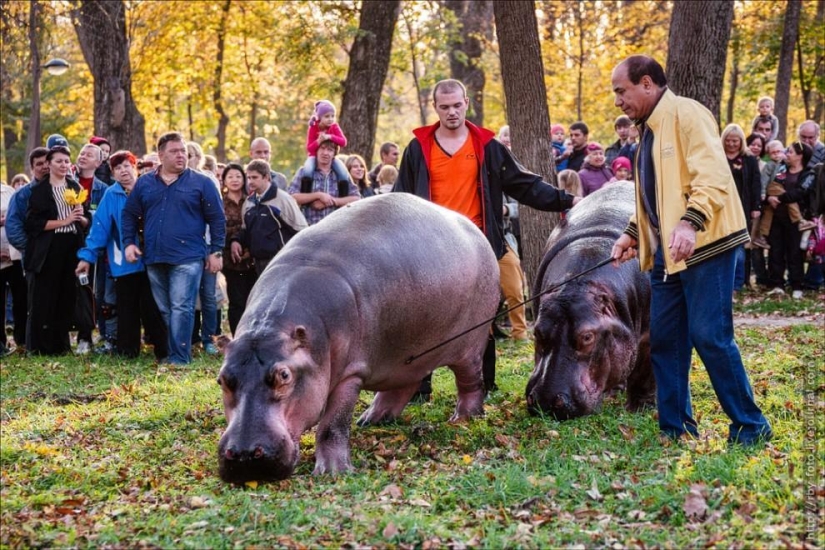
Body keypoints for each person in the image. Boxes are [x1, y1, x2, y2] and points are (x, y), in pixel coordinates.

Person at [609, 55, 771, 446]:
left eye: (621, 91)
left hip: (706, 243)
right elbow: (657, 194)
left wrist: (690, 221)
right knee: (664, 339)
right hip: (668, 251)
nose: (617, 101)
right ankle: (676, 428)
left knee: (710, 336)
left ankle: (751, 425)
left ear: (646, 83)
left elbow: (712, 177)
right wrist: (633, 231)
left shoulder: (687, 114)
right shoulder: (647, 131)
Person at [394, 78, 579, 399]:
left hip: (478, 246)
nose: (451, 112)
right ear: (434, 108)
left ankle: (483, 384)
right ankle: (418, 388)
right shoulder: (417, 149)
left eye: (456, 105)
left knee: (482, 317)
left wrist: (566, 201)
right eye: (444, 107)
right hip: (429, 247)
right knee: (424, 317)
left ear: (467, 103)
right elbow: (400, 197)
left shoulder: (487, 146)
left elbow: (524, 185)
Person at [122, 132, 226, 365]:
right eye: (174, 151)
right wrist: (129, 242)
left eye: (183, 151)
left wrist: (216, 250)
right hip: (155, 256)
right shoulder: (145, 183)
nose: (181, 155)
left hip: (188, 256)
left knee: (181, 306)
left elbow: (217, 219)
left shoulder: (202, 182)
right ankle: (172, 352)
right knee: (166, 309)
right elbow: (129, 214)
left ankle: (180, 358)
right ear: (160, 155)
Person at [75, 150, 168, 360]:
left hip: (153, 259)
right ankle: (127, 350)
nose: (123, 171)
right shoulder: (111, 195)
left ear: (135, 167)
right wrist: (87, 257)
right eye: (117, 168)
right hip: (123, 262)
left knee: (153, 306)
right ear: (113, 174)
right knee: (126, 307)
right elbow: (99, 228)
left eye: (127, 165)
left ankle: (163, 349)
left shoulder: (150, 188)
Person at [24, 146, 91, 355]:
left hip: (72, 245)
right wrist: (64, 220)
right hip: (48, 248)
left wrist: (81, 218)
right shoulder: (39, 191)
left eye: (66, 161)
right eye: (58, 161)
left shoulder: (76, 187)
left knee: (67, 295)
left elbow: (87, 220)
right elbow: (33, 224)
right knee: (45, 297)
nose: (63, 165)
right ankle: (40, 347)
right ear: (49, 164)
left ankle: (62, 346)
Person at [231, 159, 307, 276]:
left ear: (266, 177)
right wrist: (236, 241)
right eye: (249, 177)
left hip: (280, 262)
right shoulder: (249, 202)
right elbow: (246, 230)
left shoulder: (283, 199)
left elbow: (301, 230)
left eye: (255, 177)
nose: (250, 181)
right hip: (257, 263)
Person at [763, 141, 815, 299]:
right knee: (776, 251)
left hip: (797, 220)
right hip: (776, 217)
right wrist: (770, 198)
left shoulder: (809, 173)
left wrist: (779, 197)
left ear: (800, 155)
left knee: (795, 253)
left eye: (790, 152)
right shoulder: (781, 169)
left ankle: (797, 285)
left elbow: (800, 192)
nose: (787, 154)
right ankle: (778, 284)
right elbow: (771, 187)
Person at [73, 143, 112, 354]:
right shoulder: (67, 183)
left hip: (92, 247)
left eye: (89, 154)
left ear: (98, 162)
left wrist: (88, 220)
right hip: (66, 244)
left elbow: (104, 220)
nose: (83, 156)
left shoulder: (103, 190)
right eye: (81, 152)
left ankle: (85, 336)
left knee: (88, 291)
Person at [720, 124, 761, 291]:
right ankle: (724, 281)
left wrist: (756, 205)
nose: (731, 144)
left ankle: (738, 282)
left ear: (741, 141)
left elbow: (755, 184)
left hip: (742, 207)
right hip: (722, 207)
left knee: (740, 245)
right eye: (728, 141)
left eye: (735, 141)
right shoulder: (718, 157)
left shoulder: (749, 159)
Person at [220, 163, 256, 336]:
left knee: (253, 299)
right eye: (230, 177)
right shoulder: (220, 202)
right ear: (225, 181)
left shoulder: (252, 200)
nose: (234, 180)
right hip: (230, 258)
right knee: (236, 301)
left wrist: (249, 248)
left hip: (252, 257)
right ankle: (238, 336)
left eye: (238, 176)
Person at [288, 140, 360, 225]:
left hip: (335, 229)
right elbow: (291, 197)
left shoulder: (342, 175)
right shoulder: (304, 172)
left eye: (330, 150)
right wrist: (318, 195)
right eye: (322, 148)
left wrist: (332, 201)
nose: (325, 153)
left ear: (334, 154)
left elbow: (356, 198)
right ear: (317, 151)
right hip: (308, 229)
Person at [1, 182, 26, 355]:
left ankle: (22, 340)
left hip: (15, 257)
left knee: (21, 300)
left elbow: (18, 220)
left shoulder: (9, 191)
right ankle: (1, 344)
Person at [302, 100, 350, 187]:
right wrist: (318, 141)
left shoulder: (334, 126)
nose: (330, 119)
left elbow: (343, 142)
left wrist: (330, 136)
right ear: (320, 117)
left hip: (331, 157)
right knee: (307, 170)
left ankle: (344, 194)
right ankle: (306, 193)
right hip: (314, 156)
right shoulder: (313, 128)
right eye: (327, 116)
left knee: (343, 173)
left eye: (333, 116)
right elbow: (309, 148)